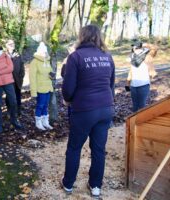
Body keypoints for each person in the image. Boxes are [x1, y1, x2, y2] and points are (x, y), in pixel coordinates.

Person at [61, 25, 115, 197]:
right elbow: (111, 85)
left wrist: (68, 100)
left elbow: (68, 88)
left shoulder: (75, 57)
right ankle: (96, 186)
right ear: (99, 37)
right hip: (106, 108)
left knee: (74, 148)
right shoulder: (108, 56)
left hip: (84, 109)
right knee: (99, 149)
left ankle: (68, 184)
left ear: (81, 36)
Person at [0, 41, 23, 134]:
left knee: (13, 101)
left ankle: (14, 121)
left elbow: (11, 68)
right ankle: (0, 125)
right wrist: (3, 66)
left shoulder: (5, 55)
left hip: (8, 82)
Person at [126, 41, 158, 112]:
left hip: (143, 85)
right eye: (134, 47)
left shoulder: (147, 56)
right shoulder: (132, 58)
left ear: (141, 48)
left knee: (141, 106)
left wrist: (145, 44)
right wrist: (127, 85)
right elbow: (131, 71)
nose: (135, 48)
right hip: (133, 86)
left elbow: (155, 48)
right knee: (134, 105)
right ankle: (133, 121)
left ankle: (141, 121)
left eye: (137, 47)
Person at [29, 42, 54, 130]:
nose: (45, 53)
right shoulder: (34, 62)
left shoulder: (47, 61)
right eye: (43, 52)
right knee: (40, 105)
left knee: (46, 105)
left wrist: (51, 75)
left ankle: (45, 122)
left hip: (48, 87)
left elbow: (50, 71)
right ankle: (38, 122)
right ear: (39, 52)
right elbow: (32, 78)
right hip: (40, 88)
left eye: (45, 52)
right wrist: (33, 92)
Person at [5, 39, 25, 115]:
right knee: (9, 96)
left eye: (13, 43)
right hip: (8, 80)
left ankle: (18, 110)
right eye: (10, 44)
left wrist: (21, 77)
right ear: (6, 45)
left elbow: (22, 66)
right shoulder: (4, 56)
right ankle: (9, 111)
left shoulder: (18, 55)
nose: (12, 45)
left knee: (18, 95)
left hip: (17, 80)